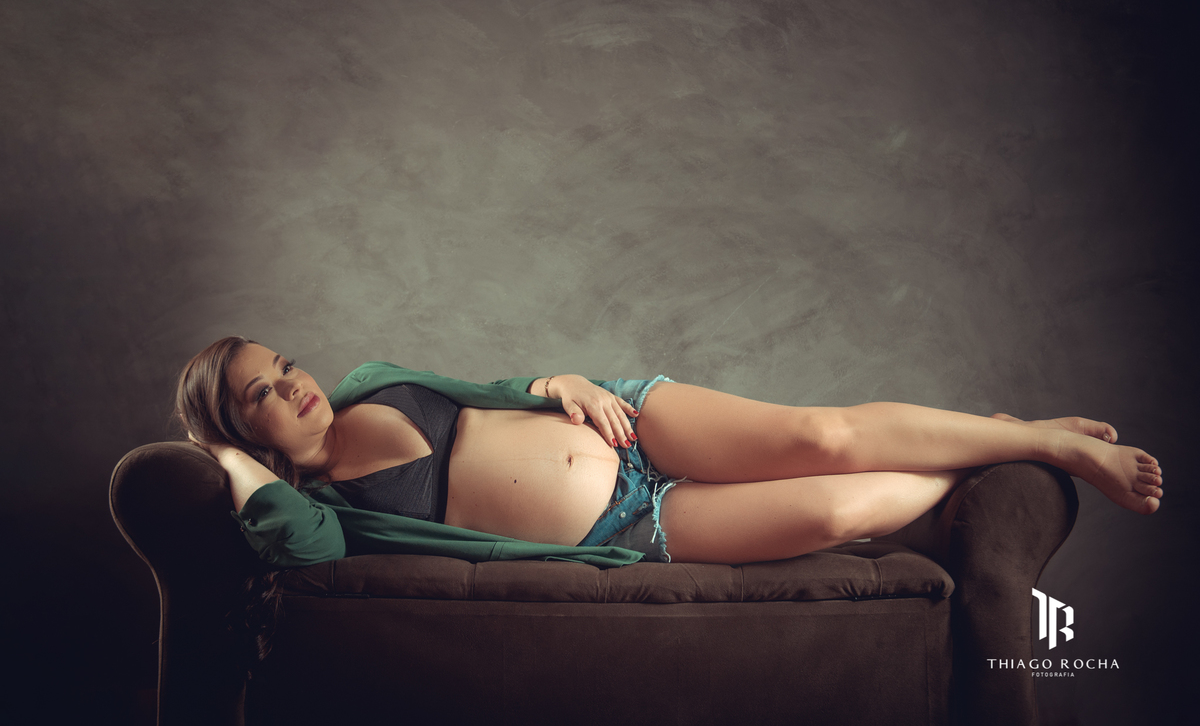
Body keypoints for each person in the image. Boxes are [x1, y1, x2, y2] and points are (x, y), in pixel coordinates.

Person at [178, 336, 1163, 568]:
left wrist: (557, 383)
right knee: (835, 509)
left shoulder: (368, 380)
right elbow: (300, 545)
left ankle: (1040, 439)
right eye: (260, 394)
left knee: (822, 435)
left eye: (283, 363)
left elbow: (490, 390)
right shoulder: (325, 512)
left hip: (631, 423)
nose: (293, 384)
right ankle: (989, 451)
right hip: (629, 524)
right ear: (242, 430)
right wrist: (225, 459)